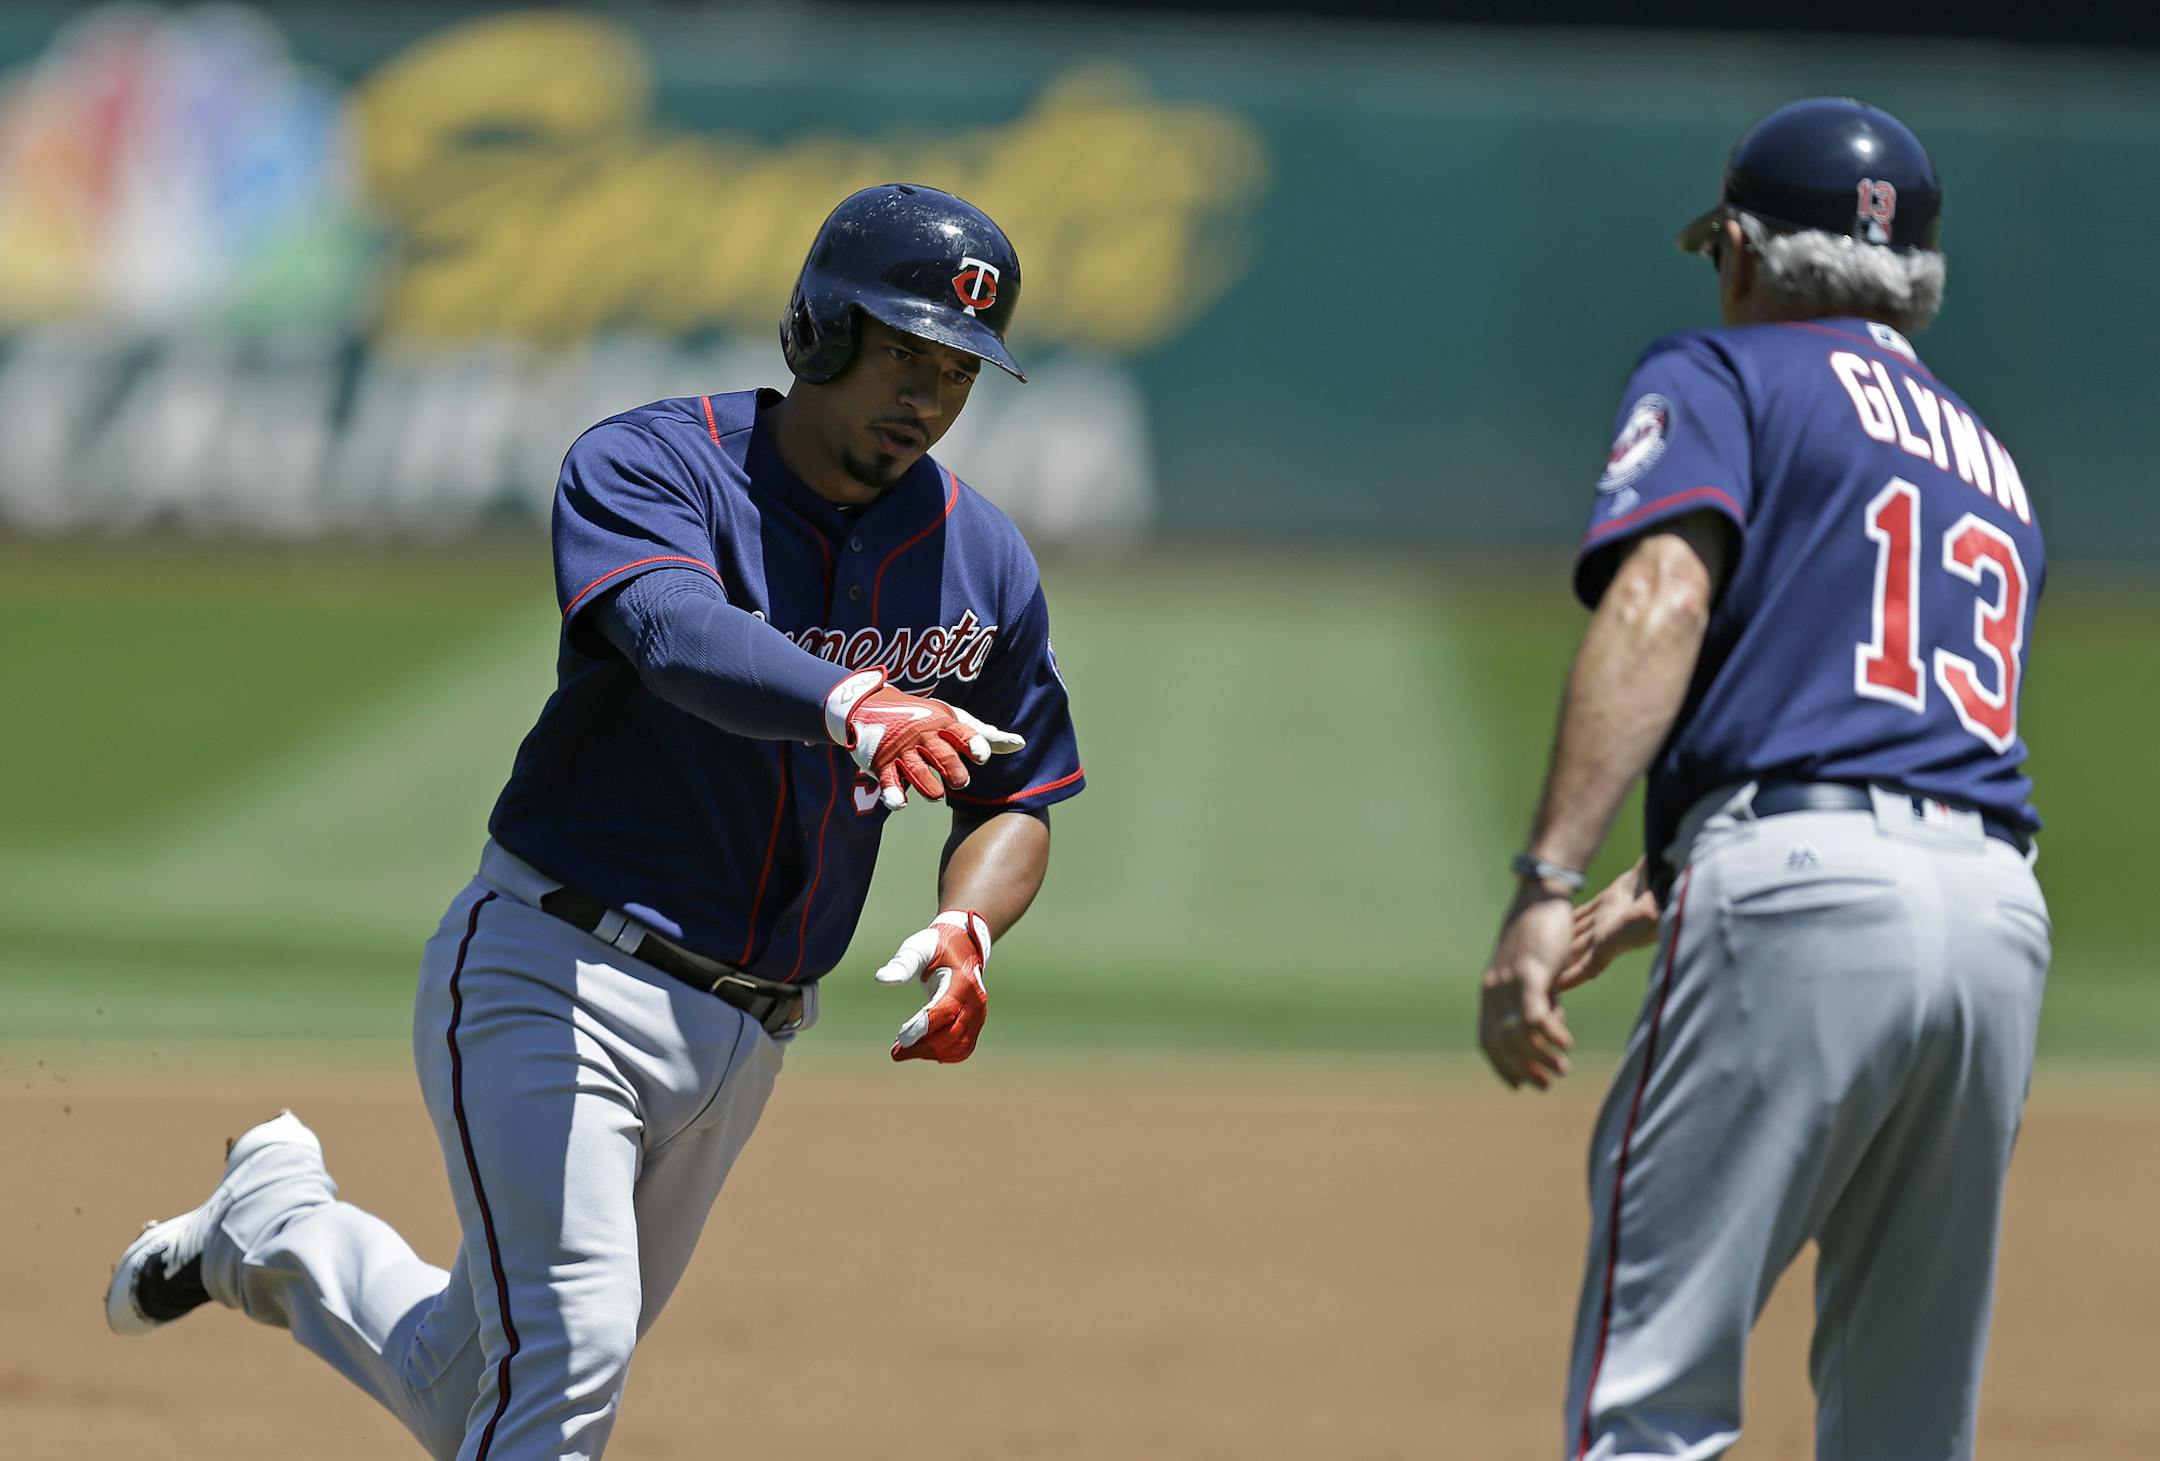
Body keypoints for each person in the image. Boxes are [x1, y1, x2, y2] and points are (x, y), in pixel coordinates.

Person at [104, 183, 1085, 1460]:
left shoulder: (983, 560)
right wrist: (855, 702)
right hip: (558, 969)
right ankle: (280, 1225)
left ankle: (273, 1225)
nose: (926, 394)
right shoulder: (654, 461)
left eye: (956, 368)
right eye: (901, 350)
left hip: (751, 1032)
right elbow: (675, 636)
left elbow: (1018, 789)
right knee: (568, 1360)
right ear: (820, 333)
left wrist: (970, 923)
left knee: (472, 1378)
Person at [1473, 99, 2047, 1460]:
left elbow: (1665, 600)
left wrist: (1550, 883)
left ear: (1737, 248)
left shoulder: (1727, 375)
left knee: (1652, 1402)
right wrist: (1659, 888)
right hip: (1997, 925)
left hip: (1794, 895)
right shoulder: (1991, 462)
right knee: (1905, 1426)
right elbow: (1878, 713)